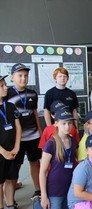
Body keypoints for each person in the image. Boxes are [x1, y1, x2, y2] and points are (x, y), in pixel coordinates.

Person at [33, 110, 78, 209]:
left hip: (68, 187)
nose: (67, 126)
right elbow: (42, 171)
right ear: (56, 123)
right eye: (64, 123)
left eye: (69, 123)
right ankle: (36, 204)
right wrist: (43, 196)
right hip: (55, 189)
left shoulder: (73, 141)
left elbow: (74, 161)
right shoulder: (51, 144)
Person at [7, 63, 42, 199]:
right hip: (17, 139)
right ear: (12, 77)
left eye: (26, 76)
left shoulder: (32, 93)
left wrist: (40, 132)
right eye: (20, 75)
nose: (23, 78)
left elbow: (34, 114)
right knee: (15, 166)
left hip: (33, 136)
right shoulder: (7, 94)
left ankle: (37, 190)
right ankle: (11, 198)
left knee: (35, 163)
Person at [0, 74, 25, 209]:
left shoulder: (10, 106)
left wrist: (16, 147)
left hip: (12, 150)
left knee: (11, 179)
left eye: (4, 85)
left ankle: (10, 207)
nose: (5, 88)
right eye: (2, 86)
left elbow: (18, 127)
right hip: (1, 152)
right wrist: (3, 152)